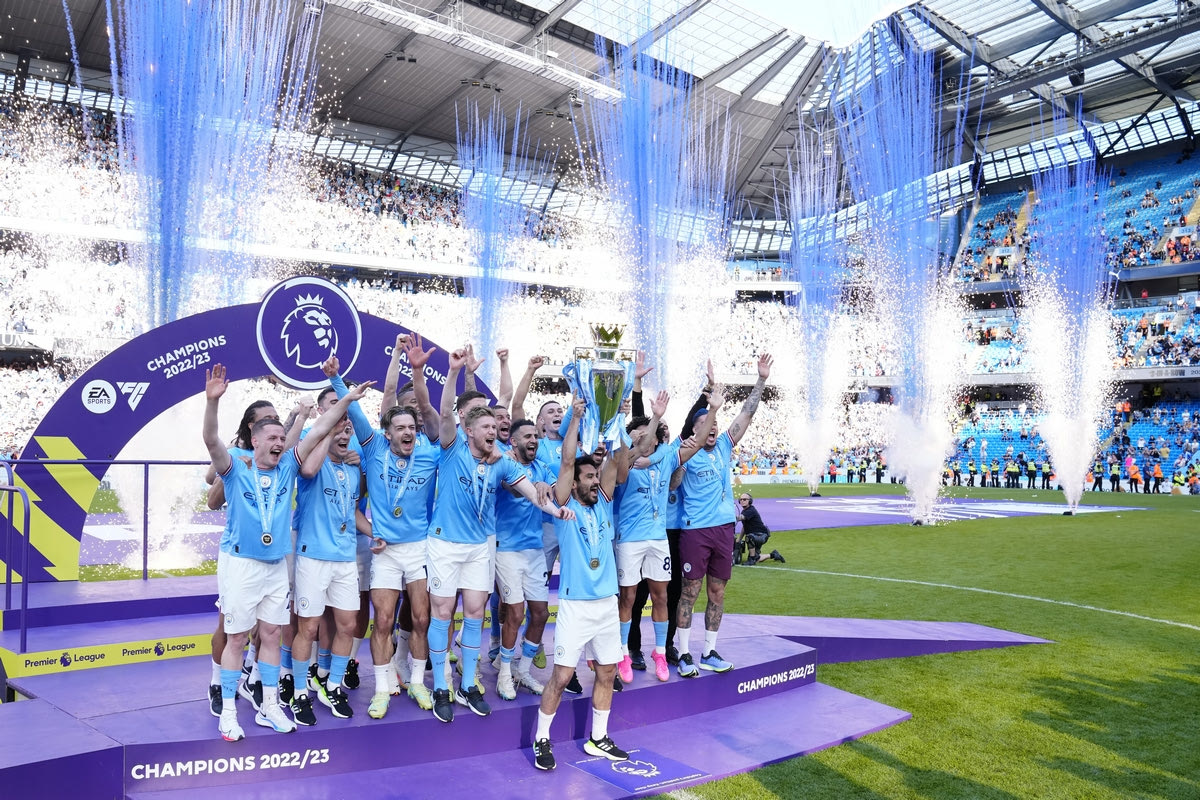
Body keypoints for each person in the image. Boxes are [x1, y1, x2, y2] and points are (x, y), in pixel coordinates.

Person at [202, 364, 371, 742]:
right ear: (255, 441)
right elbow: (211, 440)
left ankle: (270, 706)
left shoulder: (288, 468)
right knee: (236, 638)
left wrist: (346, 398)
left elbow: (321, 427)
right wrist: (212, 402)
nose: (280, 441)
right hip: (241, 564)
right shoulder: (236, 467)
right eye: (273, 437)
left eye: (283, 437)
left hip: (275, 565)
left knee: (271, 634)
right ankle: (228, 712)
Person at [425, 348, 571, 724]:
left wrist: (558, 511)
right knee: (443, 612)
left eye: (495, 427)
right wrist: (453, 372)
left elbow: (532, 493)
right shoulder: (451, 447)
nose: (493, 431)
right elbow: (445, 414)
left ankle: (468, 684)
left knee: (475, 613)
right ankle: (441, 685)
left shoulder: (502, 462)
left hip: (479, 546)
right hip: (444, 543)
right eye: (486, 427)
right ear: (469, 430)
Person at [328, 343, 442, 720]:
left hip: (419, 549)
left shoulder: (429, 452)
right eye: (400, 428)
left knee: (422, 619)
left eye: (411, 427)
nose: (408, 432)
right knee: (383, 621)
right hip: (385, 551)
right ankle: (381, 690)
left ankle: (418, 683)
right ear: (388, 432)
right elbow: (356, 409)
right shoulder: (374, 447)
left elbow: (448, 432)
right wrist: (336, 377)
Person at [532, 396, 624, 771]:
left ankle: (598, 738)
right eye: (588, 477)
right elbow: (568, 460)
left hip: (606, 604)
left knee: (607, 672)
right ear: (574, 483)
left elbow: (616, 461)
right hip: (575, 605)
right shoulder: (564, 507)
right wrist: (574, 420)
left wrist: (618, 411)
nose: (594, 480)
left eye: (595, 477)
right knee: (562, 675)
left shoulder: (604, 501)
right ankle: (542, 738)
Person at [672, 353, 772, 677]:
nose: (713, 428)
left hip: (724, 529)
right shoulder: (685, 451)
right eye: (705, 425)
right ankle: (683, 653)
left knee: (717, 592)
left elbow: (747, 413)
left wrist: (761, 379)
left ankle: (709, 651)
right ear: (694, 431)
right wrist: (684, 458)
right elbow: (673, 483)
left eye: (714, 424)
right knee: (690, 591)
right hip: (696, 530)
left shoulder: (725, 445)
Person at [288, 399, 367, 725]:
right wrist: (327, 434)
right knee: (308, 627)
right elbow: (307, 470)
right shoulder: (313, 465)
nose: (344, 435)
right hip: (313, 556)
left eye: (348, 431)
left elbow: (354, 511)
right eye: (339, 431)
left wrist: (375, 534)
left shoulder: (353, 468)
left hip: (345, 558)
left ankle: (332, 686)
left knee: (347, 624)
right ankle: (299, 692)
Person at [613, 388, 688, 684]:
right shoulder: (625, 460)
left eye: (648, 435)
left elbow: (689, 444)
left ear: (657, 439)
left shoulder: (666, 456)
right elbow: (627, 458)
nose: (643, 439)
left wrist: (713, 409)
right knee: (629, 597)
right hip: (629, 539)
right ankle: (623, 653)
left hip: (658, 539)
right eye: (637, 436)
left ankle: (659, 652)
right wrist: (650, 418)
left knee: (661, 596)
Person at [492, 418, 556, 700]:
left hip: (534, 550)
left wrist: (545, 483)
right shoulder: (504, 463)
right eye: (527, 436)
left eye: (535, 436)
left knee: (540, 613)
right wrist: (534, 484)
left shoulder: (542, 467)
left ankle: (523, 670)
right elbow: (510, 486)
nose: (533, 440)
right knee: (515, 613)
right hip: (506, 549)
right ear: (514, 441)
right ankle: (504, 674)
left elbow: (556, 491)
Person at [737, 492, 783, 564]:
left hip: (761, 535)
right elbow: (744, 527)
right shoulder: (744, 511)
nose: (742, 501)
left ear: (750, 501)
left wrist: (728, 517)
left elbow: (740, 518)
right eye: (741, 499)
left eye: (745, 499)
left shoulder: (751, 510)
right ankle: (773, 555)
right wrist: (739, 539)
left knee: (749, 537)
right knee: (757, 558)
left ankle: (751, 560)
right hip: (756, 535)